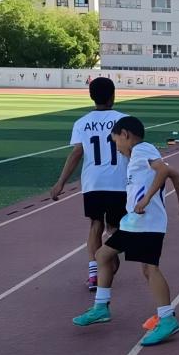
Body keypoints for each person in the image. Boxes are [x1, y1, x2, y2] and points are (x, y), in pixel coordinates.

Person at [71, 116, 179, 346]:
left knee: (148, 268)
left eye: (116, 141)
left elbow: (163, 171)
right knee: (105, 256)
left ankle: (167, 319)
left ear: (125, 135)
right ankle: (101, 307)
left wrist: (146, 199)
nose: (117, 148)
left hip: (146, 223)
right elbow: (175, 174)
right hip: (135, 222)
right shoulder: (139, 155)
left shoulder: (141, 150)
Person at [51, 77, 128, 292]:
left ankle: (94, 274)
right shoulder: (124, 120)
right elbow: (132, 150)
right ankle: (109, 257)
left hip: (93, 183)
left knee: (95, 225)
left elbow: (76, 153)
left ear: (91, 96)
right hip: (118, 182)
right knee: (115, 228)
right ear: (113, 96)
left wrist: (60, 182)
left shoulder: (81, 123)